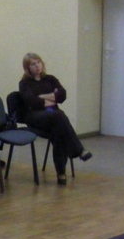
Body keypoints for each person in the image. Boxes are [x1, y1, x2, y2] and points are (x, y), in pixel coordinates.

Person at [19, 53, 92, 185]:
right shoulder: (24, 83)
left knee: (58, 131)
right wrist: (52, 97)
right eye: (33, 64)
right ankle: (78, 150)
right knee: (59, 115)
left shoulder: (50, 79)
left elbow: (62, 95)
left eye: (38, 62)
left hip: (53, 117)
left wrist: (42, 96)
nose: (37, 66)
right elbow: (31, 101)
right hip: (35, 117)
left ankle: (61, 173)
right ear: (27, 68)